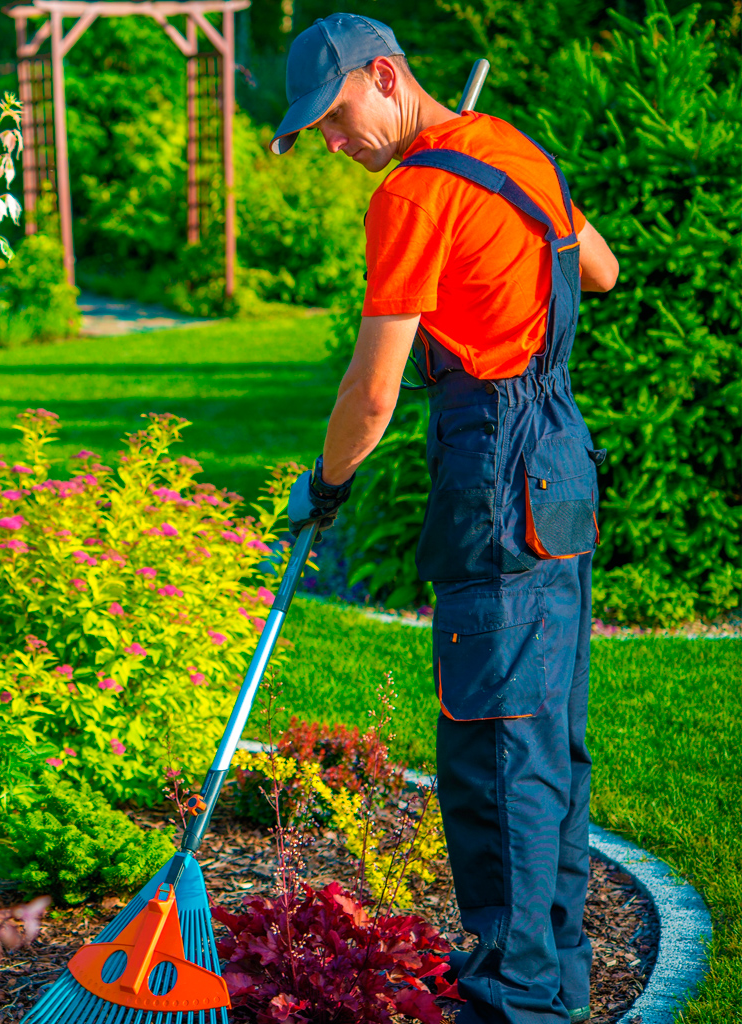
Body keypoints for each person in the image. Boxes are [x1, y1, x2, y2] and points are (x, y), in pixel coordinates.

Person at [275, 13, 620, 1024]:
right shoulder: (507, 148)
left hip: (492, 468)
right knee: (546, 734)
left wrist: (326, 485)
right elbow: (596, 270)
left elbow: (372, 394)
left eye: (337, 119)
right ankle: (551, 976)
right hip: (558, 454)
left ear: (386, 76)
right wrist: (482, 191)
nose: (335, 147)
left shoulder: (413, 194)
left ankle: (512, 1003)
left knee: (494, 748)